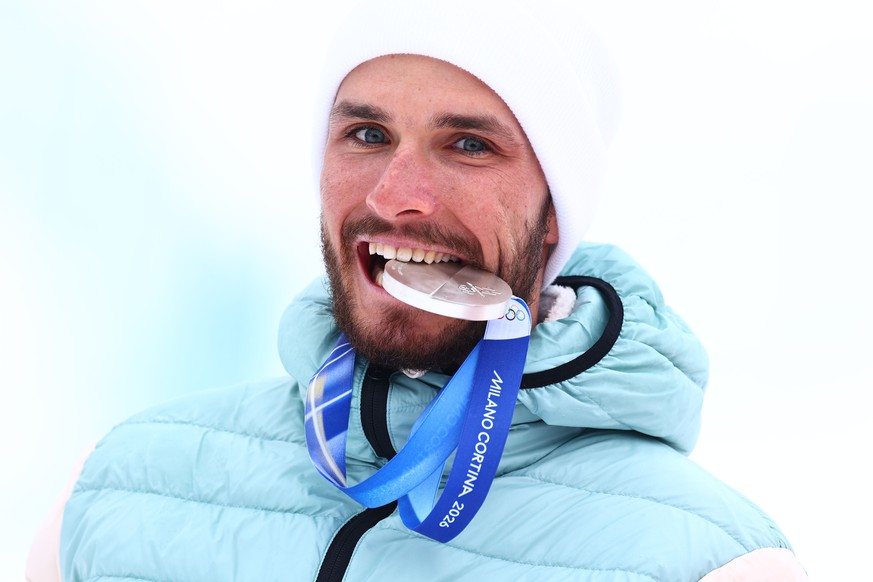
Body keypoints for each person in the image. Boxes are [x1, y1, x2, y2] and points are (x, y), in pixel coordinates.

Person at [28, 0, 810, 580]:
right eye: (367, 135)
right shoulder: (122, 489)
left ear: (552, 216)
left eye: (467, 144)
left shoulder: (708, 562)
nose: (395, 194)